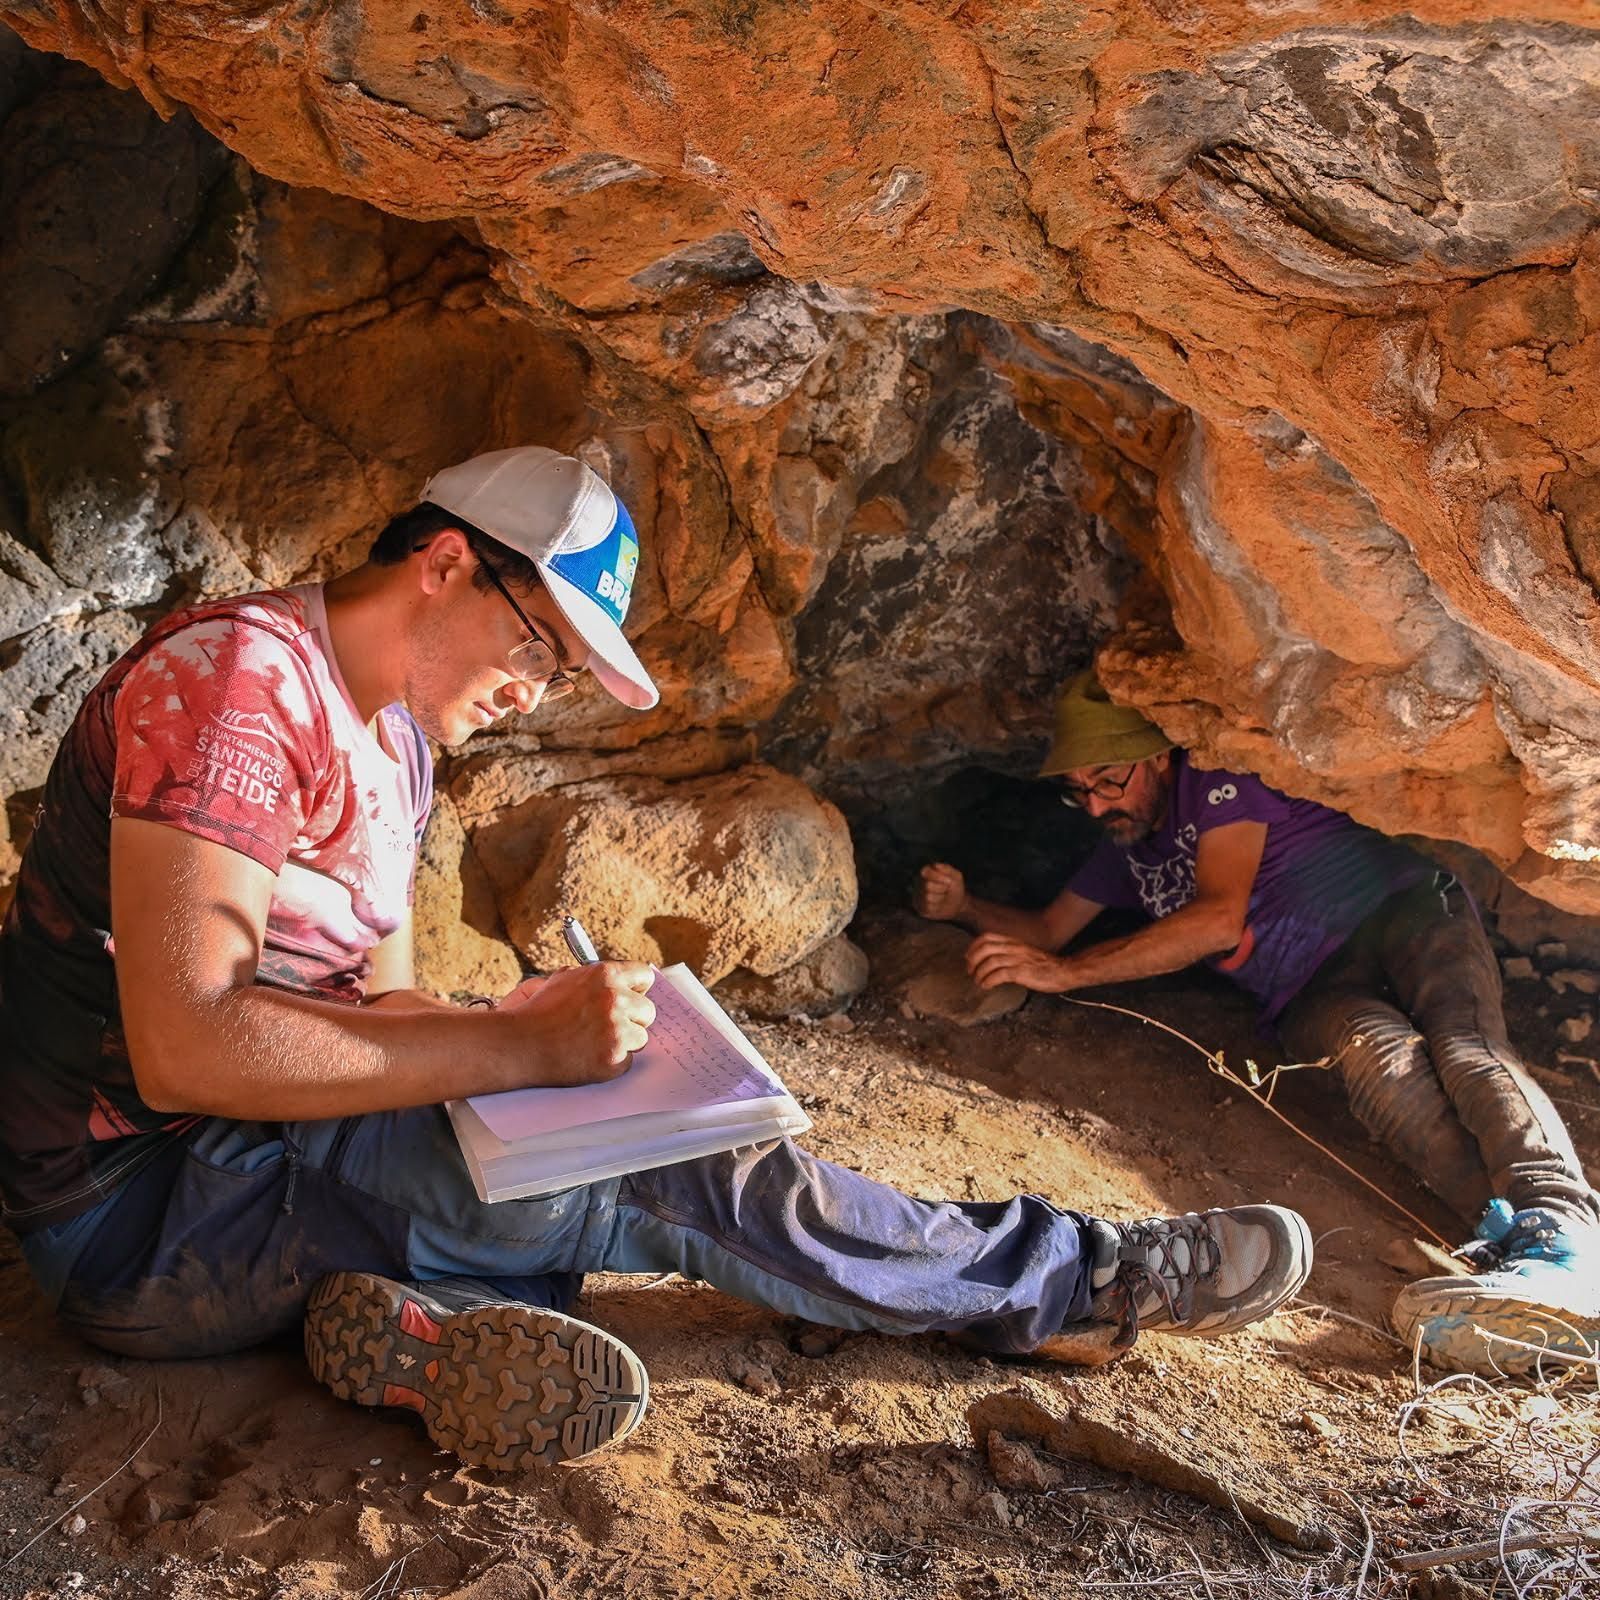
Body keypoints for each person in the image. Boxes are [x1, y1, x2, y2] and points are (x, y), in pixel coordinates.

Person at [0, 449, 1312, 1473]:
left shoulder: (394, 735)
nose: (538, 686)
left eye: (562, 671)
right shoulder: (237, 689)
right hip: (145, 1214)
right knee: (674, 1173)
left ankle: (416, 1326)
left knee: (594, 1139)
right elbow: (190, 1044)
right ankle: (1076, 1281)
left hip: (252, 1177)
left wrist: (546, 1050)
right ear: (446, 564)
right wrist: (524, 1052)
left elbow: (379, 1005)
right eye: (540, 646)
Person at [917, 669, 1600, 1381]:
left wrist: (1066, 976)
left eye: (1108, 780)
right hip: (1308, 986)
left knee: (1466, 1049)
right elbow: (1047, 930)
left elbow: (1218, 918)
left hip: (1395, 912)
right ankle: (1533, 1269)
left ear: (1155, 759)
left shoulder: (1215, 782)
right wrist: (965, 907)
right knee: (1388, 1075)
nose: (1094, 804)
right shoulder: (1124, 854)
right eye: (1079, 789)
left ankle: (1564, 1230)